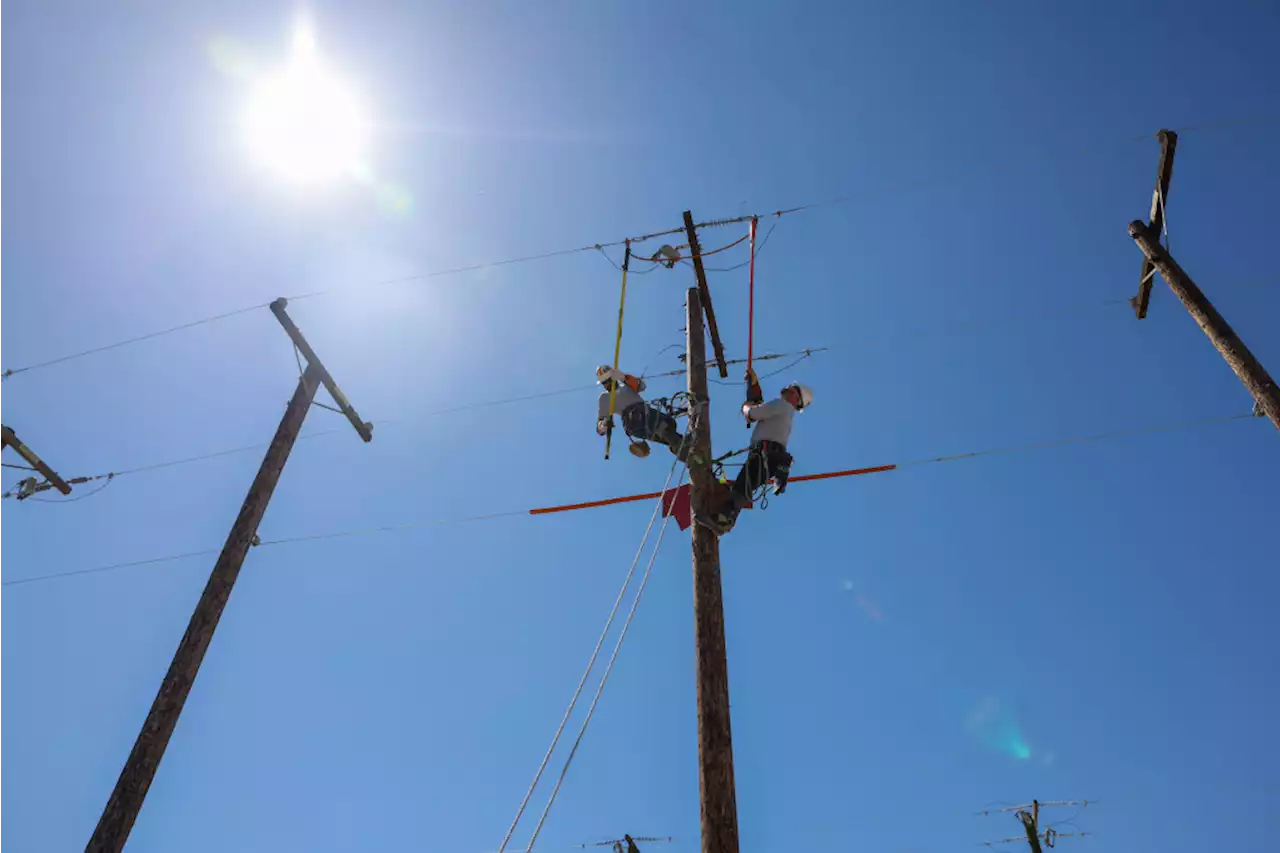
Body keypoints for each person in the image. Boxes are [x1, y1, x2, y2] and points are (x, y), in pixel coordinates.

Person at [703, 379, 813, 533]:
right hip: (771, 459)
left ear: (796, 398)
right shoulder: (786, 415)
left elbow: (753, 414)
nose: (788, 390)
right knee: (742, 490)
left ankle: (722, 521)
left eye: (792, 390)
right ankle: (723, 522)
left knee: (741, 488)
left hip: (764, 455)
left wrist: (746, 407)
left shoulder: (782, 406)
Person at [595, 365, 687, 459]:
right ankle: (685, 451)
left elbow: (641, 386)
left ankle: (690, 454)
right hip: (634, 421)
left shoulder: (625, 385)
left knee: (670, 430)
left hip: (645, 414)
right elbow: (600, 422)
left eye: (607, 380)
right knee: (665, 428)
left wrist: (623, 377)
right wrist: (603, 425)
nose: (606, 385)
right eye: (603, 382)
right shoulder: (605, 397)